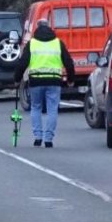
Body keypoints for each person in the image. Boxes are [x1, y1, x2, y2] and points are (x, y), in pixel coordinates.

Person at [14, 18, 76, 148]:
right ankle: (48, 139)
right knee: (52, 109)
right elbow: (68, 62)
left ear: (37, 28)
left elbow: (22, 63)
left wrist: (16, 79)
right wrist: (71, 79)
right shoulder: (58, 43)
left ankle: (37, 137)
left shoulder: (32, 44)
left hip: (36, 81)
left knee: (36, 107)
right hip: (54, 80)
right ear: (49, 27)